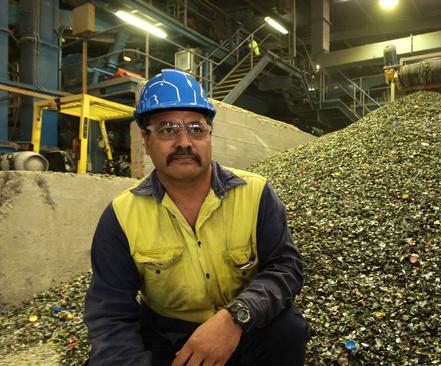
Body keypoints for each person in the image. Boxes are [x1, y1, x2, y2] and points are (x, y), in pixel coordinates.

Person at [84, 69, 308, 366]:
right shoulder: (121, 216)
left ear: (210, 136)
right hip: (168, 337)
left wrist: (235, 317)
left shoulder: (256, 194)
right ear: (146, 141)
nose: (184, 142)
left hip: (247, 326)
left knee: (289, 330)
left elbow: (285, 267)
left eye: (195, 128)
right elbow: (110, 312)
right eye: (167, 129)